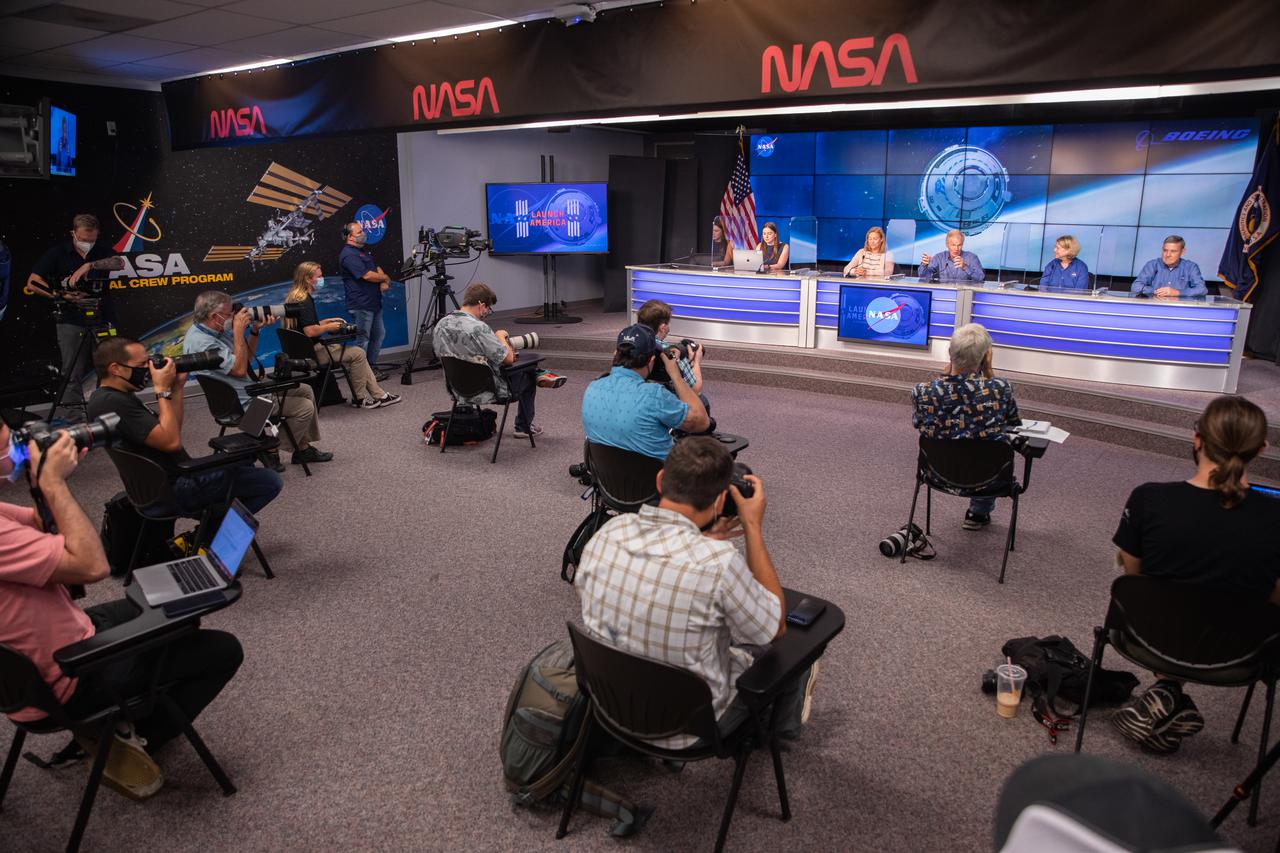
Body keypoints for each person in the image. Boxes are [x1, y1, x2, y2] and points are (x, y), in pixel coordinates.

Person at [0, 422, 243, 799]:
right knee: (223, 650)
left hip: (30, 675)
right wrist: (55, 485)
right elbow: (91, 567)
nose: (12, 437)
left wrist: (38, 483)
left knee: (176, 613)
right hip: (68, 676)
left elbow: (41, 526)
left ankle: (128, 716)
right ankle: (127, 741)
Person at [575, 436, 819, 747]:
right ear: (720, 502)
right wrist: (752, 528)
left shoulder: (609, 533)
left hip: (609, 704)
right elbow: (775, 629)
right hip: (687, 729)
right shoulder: (719, 563)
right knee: (791, 646)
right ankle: (778, 735)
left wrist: (701, 546)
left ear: (661, 480)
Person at [1110, 395, 1279, 754]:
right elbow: (1274, 601)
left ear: (1197, 439)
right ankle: (1169, 698)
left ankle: (1167, 692)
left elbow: (1136, 579)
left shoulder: (1149, 500)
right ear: (1261, 448)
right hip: (1239, 655)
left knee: (1163, 602)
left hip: (1148, 639)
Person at [86, 337, 283, 517]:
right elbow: (171, 442)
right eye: (141, 365)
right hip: (175, 488)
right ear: (115, 369)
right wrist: (161, 390)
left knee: (243, 462)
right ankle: (211, 533)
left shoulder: (104, 398)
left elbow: (171, 432)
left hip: (158, 485)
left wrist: (176, 389)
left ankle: (213, 521)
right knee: (270, 481)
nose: (148, 369)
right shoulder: (115, 403)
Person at [182, 290, 332, 466]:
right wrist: (238, 331)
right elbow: (239, 370)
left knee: (305, 389)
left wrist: (254, 331)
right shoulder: (203, 343)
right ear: (214, 316)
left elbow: (246, 360)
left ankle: (303, 448)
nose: (233, 317)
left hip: (244, 391)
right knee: (304, 407)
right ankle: (269, 448)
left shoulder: (211, 330)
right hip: (244, 402)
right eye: (229, 314)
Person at [911, 323, 1021, 530]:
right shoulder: (1001, 389)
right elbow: (1013, 422)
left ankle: (978, 511)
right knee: (991, 439)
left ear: (950, 352)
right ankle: (978, 513)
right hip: (990, 480)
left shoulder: (922, 392)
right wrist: (988, 372)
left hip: (936, 474)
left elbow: (918, 423)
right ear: (986, 356)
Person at [25, 214, 118, 418]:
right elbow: (33, 281)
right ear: (73, 234)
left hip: (102, 317)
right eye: (84, 240)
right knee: (72, 370)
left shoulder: (102, 252)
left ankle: (108, 411)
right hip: (71, 319)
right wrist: (60, 294)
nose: (88, 244)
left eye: (92, 240)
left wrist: (89, 266)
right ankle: (76, 417)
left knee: (110, 366)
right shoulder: (57, 254)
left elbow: (119, 262)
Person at [433, 283, 549, 439]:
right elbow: (507, 359)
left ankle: (539, 374)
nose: (486, 313)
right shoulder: (479, 328)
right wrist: (500, 336)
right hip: (489, 390)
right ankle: (523, 427)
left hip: (457, 388)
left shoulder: (441, 325)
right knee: (528, 375)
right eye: (488, 309)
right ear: (481, 305)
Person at [582, 324, 710, 460]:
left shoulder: (593, 388)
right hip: (659, 479)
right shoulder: (654, 395)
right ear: (651, 360)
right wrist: (676, 376)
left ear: (615, 354)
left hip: (608, 479)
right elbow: (702, 422)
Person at [284, 261, 400, 410]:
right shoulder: (304, 301)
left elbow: (304, 325)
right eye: (319, 276)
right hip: (313, 354)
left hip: (303, 352)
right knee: (358, 353)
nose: (322, 279)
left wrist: (326, 321)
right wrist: (329, 327)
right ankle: (360, 399)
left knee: (357, 354)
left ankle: (380, 395)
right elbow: (309, 331)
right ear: (307, 279)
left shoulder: (295, 297)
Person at [339, 221, 393, 380]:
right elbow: (367, 275)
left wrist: (383, 280)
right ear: (350, 236)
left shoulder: (362, 252)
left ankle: (371, 367)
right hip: (361, 304)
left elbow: (376, 269)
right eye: (359, 232)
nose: (364, 234)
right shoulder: (348, 255)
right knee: (362, 339)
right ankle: (359, 373)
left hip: (374, 303)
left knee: (378, 335)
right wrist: (385, 278)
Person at [1130, 235, 1207, 297]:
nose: (1167, 255)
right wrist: (1156, 291)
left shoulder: (1191, 267)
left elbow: (1202, 289)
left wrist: (1178, 292)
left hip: (1180, 309)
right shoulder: (1152, 265)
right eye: (1165, 250)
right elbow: (1136, 286)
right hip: (1155, 307)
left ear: (1182, 252)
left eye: (1173, 251)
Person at [918, 229, 985, 283]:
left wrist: (965, 267)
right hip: (943, 294)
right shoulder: (939, 257)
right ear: (947, 244)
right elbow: (923, 278)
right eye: (953, 245)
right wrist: (924, 265)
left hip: (964, 295)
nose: (956, 248)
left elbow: (981, 278)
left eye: (959, 245)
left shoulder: (972, 258)